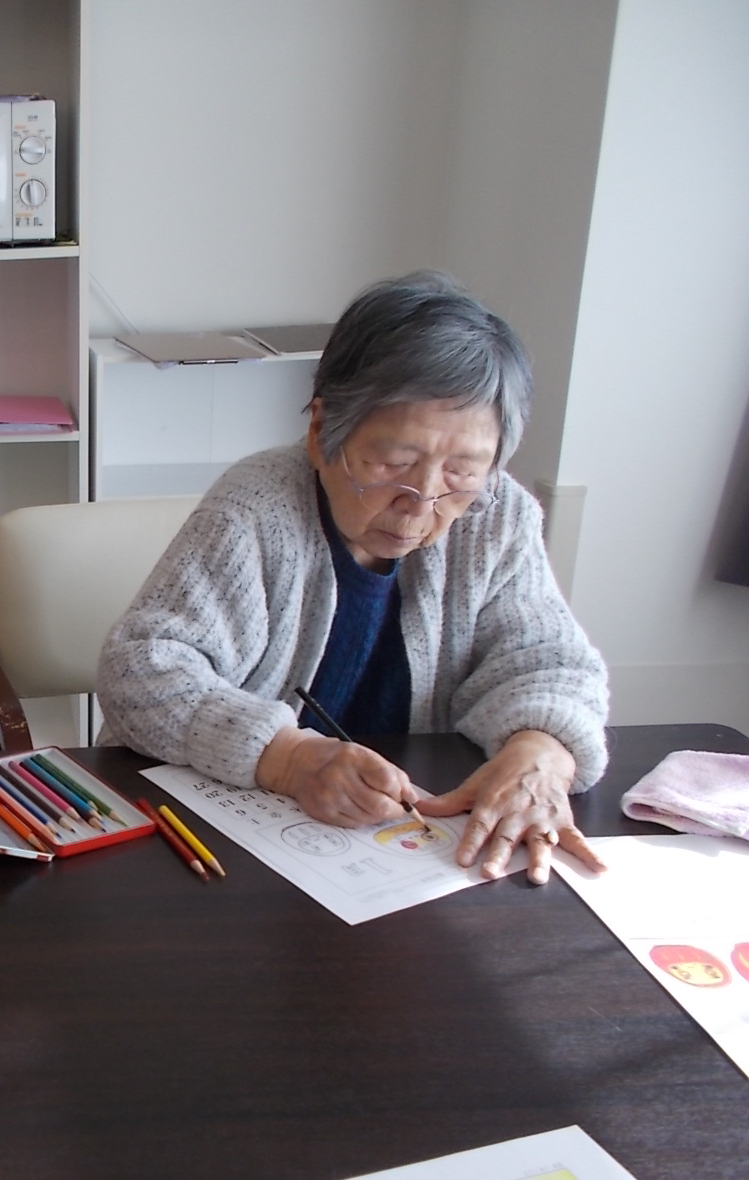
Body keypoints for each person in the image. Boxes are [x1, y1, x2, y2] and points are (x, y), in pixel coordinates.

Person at [97, 271, 609, 885]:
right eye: (393, 462)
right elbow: (141, 672)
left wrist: (540, 752)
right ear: (321, 433)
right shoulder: (255, 510)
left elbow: (552, 664)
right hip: (225, 851)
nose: (420, 504)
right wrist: (286, 758)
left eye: (462, 473)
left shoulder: (498, 517)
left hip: (403, 853)